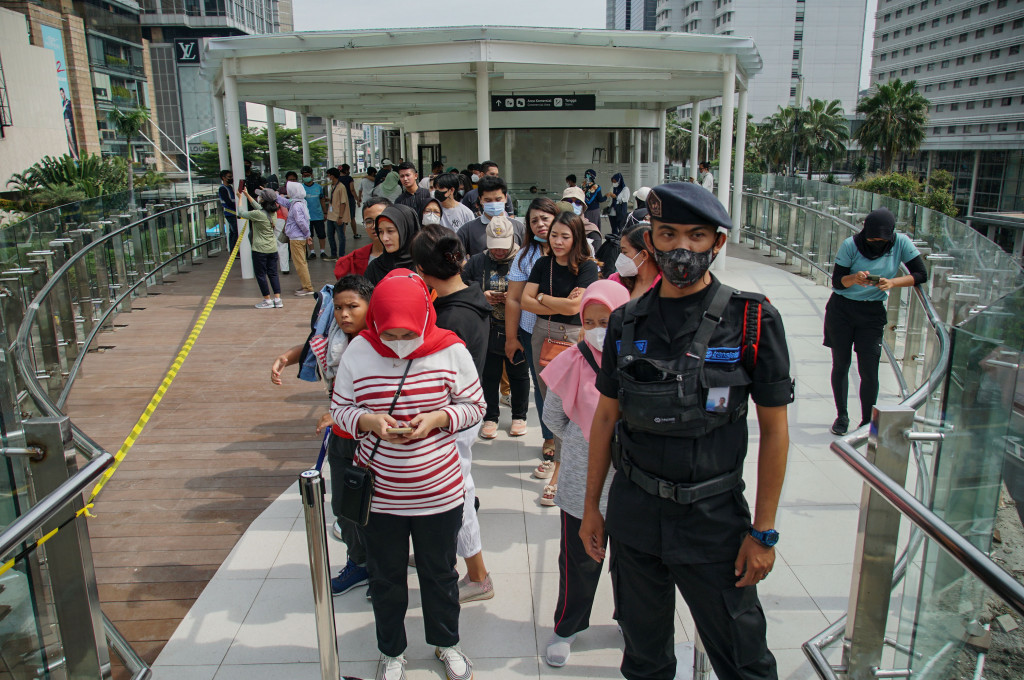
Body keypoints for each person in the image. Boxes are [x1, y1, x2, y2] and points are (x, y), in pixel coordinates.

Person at [579, 182, 794, 680]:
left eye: (696, 235)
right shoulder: (626, 321)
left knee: (744, 662)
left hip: (714, 520)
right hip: (636, 516)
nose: (682, 248)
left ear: (718, 242)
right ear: (650, 240)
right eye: (668, 233)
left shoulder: (753, 319)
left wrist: (763, 532)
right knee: (645, 659)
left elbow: (775, 430)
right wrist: (593, 507)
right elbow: (606, 418)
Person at [331, 269, 483, 680]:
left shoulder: (450, 349)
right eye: (390, 335)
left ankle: (446, 643)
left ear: (424, 317)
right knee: (386, 578)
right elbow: (340, 409)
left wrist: (438, 418)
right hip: (381, 495)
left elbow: (475, 405)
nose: (399, 345)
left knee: (440, 574)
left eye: (407, 334)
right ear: (376, 321)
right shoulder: (359, 352)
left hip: (439, 491)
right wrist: (369, 422)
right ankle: (392, 651)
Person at [540, 279, 629, 667]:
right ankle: (568, 626)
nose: (597, 329)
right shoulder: (572, 359)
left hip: (631, 483)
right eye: (589, 321)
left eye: (606, 320)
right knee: (579, 558)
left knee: (631, 560)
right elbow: (552, 419)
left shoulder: (640, 358)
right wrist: (585, 442)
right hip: (580, 480)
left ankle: (632, 619)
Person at [270, 275, 373, 594]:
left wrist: (344, 413)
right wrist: (287, 357)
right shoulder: (335, 334)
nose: (344, 315)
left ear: (370, 307)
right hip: (341, 435)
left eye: (353, 307)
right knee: (344, 505)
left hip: (372, 437)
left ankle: (382, 569)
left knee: (375, 508)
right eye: (339, 307)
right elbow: (315, 345)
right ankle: (360, 563)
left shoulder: (382, 341)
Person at [410, 225, 496, 604]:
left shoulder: (449, 320)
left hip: (451, 416)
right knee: (457, 490)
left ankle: (478, 576)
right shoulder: (471, 297)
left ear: (421, 270)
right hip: (464, 410)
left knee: (457, 494)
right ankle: (449, 555)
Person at [826, 207, 927, 435]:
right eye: (872, 239)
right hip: (842, 310)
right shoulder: (850, 245)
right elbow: (837, 282)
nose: (876, 243)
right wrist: (855, 278)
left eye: (882, 240)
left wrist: (892, 283)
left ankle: (866, 421)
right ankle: (842, 416)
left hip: (872, 313)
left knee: (869, 370)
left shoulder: (901, 243)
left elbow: (921, 273)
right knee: (841, 364)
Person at [521, 211, 600, 506]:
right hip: (542, 335)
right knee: (550, 403)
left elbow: (573, 309)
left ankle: (561, 473)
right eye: (554, 235)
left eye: (565, 236)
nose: (557, 241)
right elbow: (527, 301)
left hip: (574, 339)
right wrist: (548, 301)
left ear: (577, 237)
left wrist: (542, 298)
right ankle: (560, 464)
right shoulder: (543, 264)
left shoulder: (587, 267)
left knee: (572, 406)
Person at [463, 215, 529, 439]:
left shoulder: (523, 259)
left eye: (503, 248)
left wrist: (515, 296)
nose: (499, 252)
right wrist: (481, 295)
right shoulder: (476, 262)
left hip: (517, 327)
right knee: (488, 375)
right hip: (487, 327)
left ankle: (519, 415)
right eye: (494, 248)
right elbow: (460, 288)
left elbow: (534, 290)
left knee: (518, 373)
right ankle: (490, 417)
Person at [505, 198, 558, 463]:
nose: (540, 224)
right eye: (534, 220)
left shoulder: (577, 249)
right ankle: (550, 437)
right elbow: (514, 299)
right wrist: (512, 337)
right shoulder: (525, 256)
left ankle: (571, 437)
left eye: (545, 218)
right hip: (531, 329)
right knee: (543, 386)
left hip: (568, 331)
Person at [238, 187, 284, 309]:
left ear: (263, 200)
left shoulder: (258, 214)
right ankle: (278, 299)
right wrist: (247, 194)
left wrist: (240, 199)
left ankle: (267, 300)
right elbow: (258, 207)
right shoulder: (272, 213)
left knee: (261, 275)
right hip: (272, 248)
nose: (259, 198)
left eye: (261, 197)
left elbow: (241, 213)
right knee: (273, 274)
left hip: (259, 249)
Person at [457, 176, 525, 257]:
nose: (493, 203)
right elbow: (457, 257)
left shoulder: (519, 227)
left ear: (506, 198)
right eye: (488, 200)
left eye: (498, 199)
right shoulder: (468, 229)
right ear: (480, 199)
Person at [334, 197, 391, 279]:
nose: (374, 226)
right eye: (369, 221)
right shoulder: (352, 262)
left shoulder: (409, 257)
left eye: (380, 219)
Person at [364, 204, 420, 285]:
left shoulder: (424, 267)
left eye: (390, 231)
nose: (384, 238)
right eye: (381, 232)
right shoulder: (375, 268)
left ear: (406, 231)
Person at [276, 181, 315, 296]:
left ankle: (307, 287)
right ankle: (306, 285)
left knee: (300, 263)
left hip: (297, 238)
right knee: (301, 262)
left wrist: (308, 234)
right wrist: (274, 196)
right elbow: (285, 202)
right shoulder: (298, 202)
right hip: (298, 237)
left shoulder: (296, 205)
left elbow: (301, 222)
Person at [609, 223, 661, 300]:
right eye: (621, 251)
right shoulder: (615, 280)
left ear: (643, 255)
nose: (621, 256)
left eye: (625, 252)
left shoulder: (667, 288)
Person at [560, 188, 602, 256]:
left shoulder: (591, 231)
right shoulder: (556, 227)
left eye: (578, 202)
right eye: (569, 201)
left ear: (583, 206)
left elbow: (596, 259)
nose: (573, 205)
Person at [301, 166, 329, 261]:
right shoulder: (301, 188)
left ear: (312, 175)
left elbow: (322, 200)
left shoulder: (318, 187)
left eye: (308, 175)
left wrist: (325, 212)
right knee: (309, 235)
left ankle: (322, 251)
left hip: (318, 215)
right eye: (304, 176)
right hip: (306, 217)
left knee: (321, 235)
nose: (306, 177)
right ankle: (312, 252)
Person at [325, 167, 351, 259]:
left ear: (332, 176)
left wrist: (340, 217)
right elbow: (335, 200)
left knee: (341, 236)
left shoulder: (341, 187)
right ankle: (333, 254)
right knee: (330, 235)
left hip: (338, 216)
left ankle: (341, 255)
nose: (328, 177)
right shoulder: (332, 186)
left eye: (328, 175)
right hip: (331, 215)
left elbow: (343, 203)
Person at [218, 169, 239, 252]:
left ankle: (233, 250)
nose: (231, 178)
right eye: (229, 177)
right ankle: (234, 251)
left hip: (232, 212)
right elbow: (228, 201)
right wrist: (237, 208)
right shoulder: (223, 188)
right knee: (235, 232)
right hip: (230, 213)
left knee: (233, 232)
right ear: (223, 178)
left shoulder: (229, 187)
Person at [339, 163, 360, 241]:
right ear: (346, 170)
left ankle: (343, 236)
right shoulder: (349, 178)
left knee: (343, 218)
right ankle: (355, 234)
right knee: (352, 218)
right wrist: (357, 199)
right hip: (350, 199)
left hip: (341, 200)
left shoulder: (337, 179)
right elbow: (352, 190)